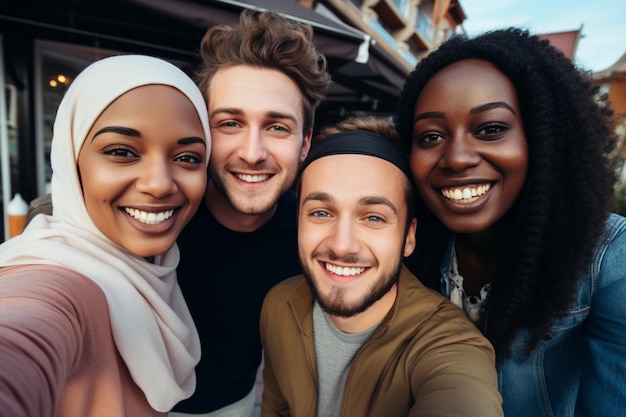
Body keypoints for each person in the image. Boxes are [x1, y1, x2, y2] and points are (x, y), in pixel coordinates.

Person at [396, 28, 626, 417]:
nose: (456, 158)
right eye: (431, 136)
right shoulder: (404, 245)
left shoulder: (606, 259)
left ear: (541, 139)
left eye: (490, 129)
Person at [0, 54, 211, 417]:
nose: (159, 184)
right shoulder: (53, 277)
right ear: (71, 160)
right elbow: (27, 330)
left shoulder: (158, 268)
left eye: (188, 158)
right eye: (121, 152)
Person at [260, 116, 503, 417]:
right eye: (321, 212)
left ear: (409, 237)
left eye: (374, 217)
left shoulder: (447, 342)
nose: (341, 245)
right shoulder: (278, 305)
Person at [171, 10, 330, 417]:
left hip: (239, 406)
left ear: (305, 143)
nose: (252, 153)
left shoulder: (313, 238)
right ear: (202, 132)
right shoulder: (156, 216)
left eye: (277, 127)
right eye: (230, 123)